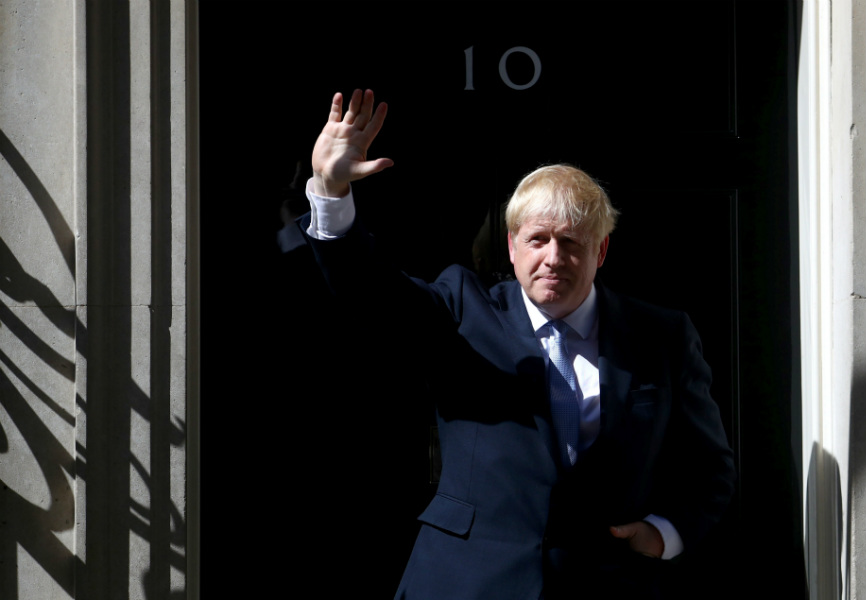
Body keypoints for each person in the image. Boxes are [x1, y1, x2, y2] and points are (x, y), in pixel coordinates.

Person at [300, 89, 736, 600]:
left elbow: (709, 470)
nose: (553, 258)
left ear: (602, 250)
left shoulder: (661, 336)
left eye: (572, 242)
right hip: (467, 580)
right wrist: (331, 191)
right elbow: (374, 296)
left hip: (607, 583)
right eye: (537, 240)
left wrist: (663, 535)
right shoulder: (463, 306)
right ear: (511, 246)